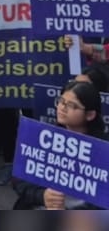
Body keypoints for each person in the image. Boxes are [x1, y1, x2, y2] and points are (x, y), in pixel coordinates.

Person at [12, 81, 108, 209]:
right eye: (61, 101)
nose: (62, 108)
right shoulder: (43, 137)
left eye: (72, 105)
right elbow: (20, 179)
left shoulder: (103, 149)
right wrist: (42, 196)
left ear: (90, 115)